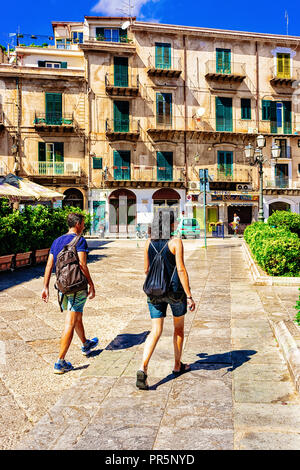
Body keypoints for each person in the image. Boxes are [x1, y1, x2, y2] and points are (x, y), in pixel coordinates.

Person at [136, 211, 196, 390]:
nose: (176, 223)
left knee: (156, 330)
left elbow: (146, 269)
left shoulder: (148, 243)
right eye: (174, 221)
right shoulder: (176, 242)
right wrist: (190, 295)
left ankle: (143, 367)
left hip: (154, 291)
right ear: (169, 224)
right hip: (175, 292)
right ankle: (177, 365)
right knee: (178, 329)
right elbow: (181, 270)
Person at [42, 212, 98, 374]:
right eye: (83, 223)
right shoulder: (79, 240)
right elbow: (82, 264)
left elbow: (49, 266)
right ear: (78, 224)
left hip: (61, 287)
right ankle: (60, 362)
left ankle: (86, 343)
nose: (84, 226)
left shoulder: (57, 241)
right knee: (70, 322)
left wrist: (45, 286)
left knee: (76, 316)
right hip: (76, 287)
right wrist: (91, 284)